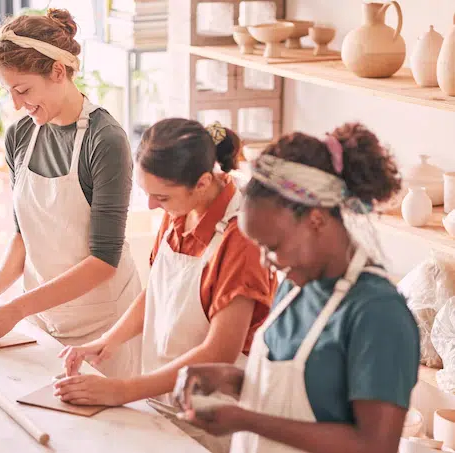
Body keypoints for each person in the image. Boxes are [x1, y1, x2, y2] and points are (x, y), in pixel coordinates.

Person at [172, 123, 421, 453]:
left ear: (315, 219)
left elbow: (374, 445)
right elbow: (305, 398)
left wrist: (246, 420)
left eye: (272, 246)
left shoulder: (378, 313)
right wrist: (228, 380)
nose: (265, 262)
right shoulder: (292, 288)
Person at [54, 118, 277, 453]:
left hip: (211, 419)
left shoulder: (242, 238)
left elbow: (219, 352)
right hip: (163, 403)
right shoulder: (181, 209)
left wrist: (122, 390)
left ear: (202, 183)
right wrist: (107, 341)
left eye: (160, 196)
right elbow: (157, 293)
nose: (151, 206)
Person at [0, 9, 142, 379]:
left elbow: (104, 261)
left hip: (101, 327)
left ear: (58, 72)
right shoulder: (20, 135)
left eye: (23, 90)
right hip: (41, 320)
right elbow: (25, 236)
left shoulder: (105, 141)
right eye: (10, 93)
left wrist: (14, 309)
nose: (17, 104)